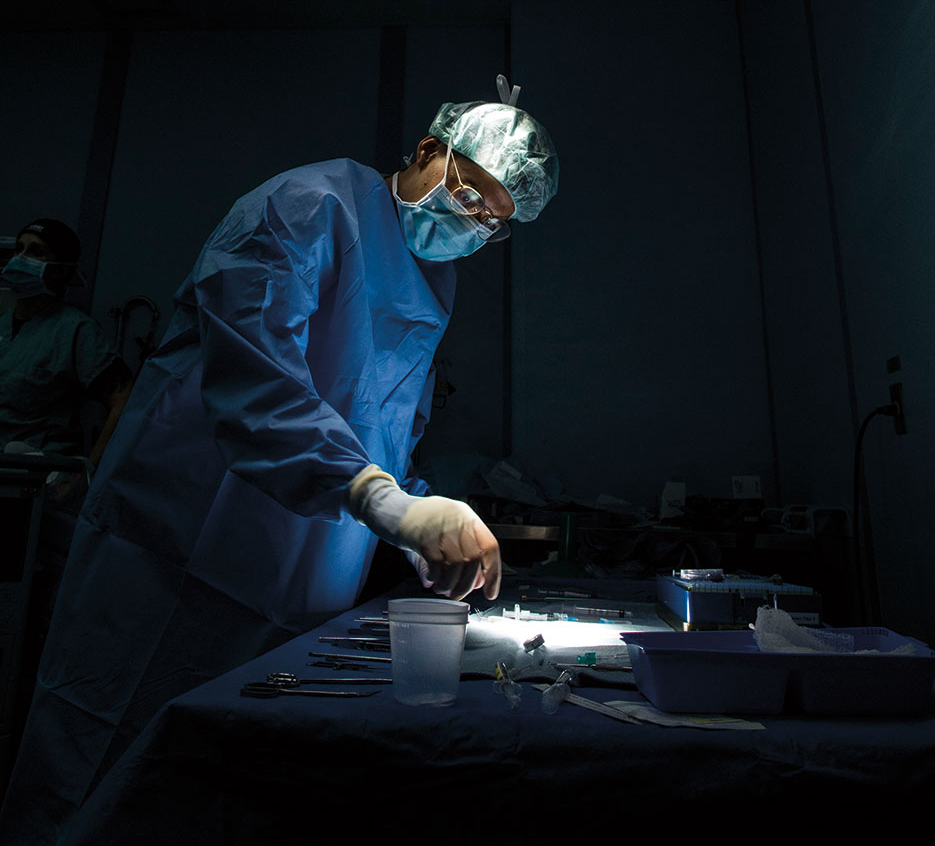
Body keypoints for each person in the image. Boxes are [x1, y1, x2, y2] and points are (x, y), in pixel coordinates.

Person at [0, 76, 558, 845]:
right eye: (470, 200)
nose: (471, 229)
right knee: (99, 761)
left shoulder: (434, 280)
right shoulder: (307, 206)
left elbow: (386, 424)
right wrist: (383, 502)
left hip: (300, 578)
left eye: (493, 224)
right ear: (430, 150)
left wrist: (417, 511)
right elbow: (256, 380)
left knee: (215, 790)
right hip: (175, 547)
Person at [0, 219, 134, 470]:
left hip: (35, 474)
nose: (20, 258)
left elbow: (125, 401)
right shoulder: (3, 324)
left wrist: (86, 475)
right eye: (19, 249)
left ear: (62, 270)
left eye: (36, 251)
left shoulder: (75, 330)